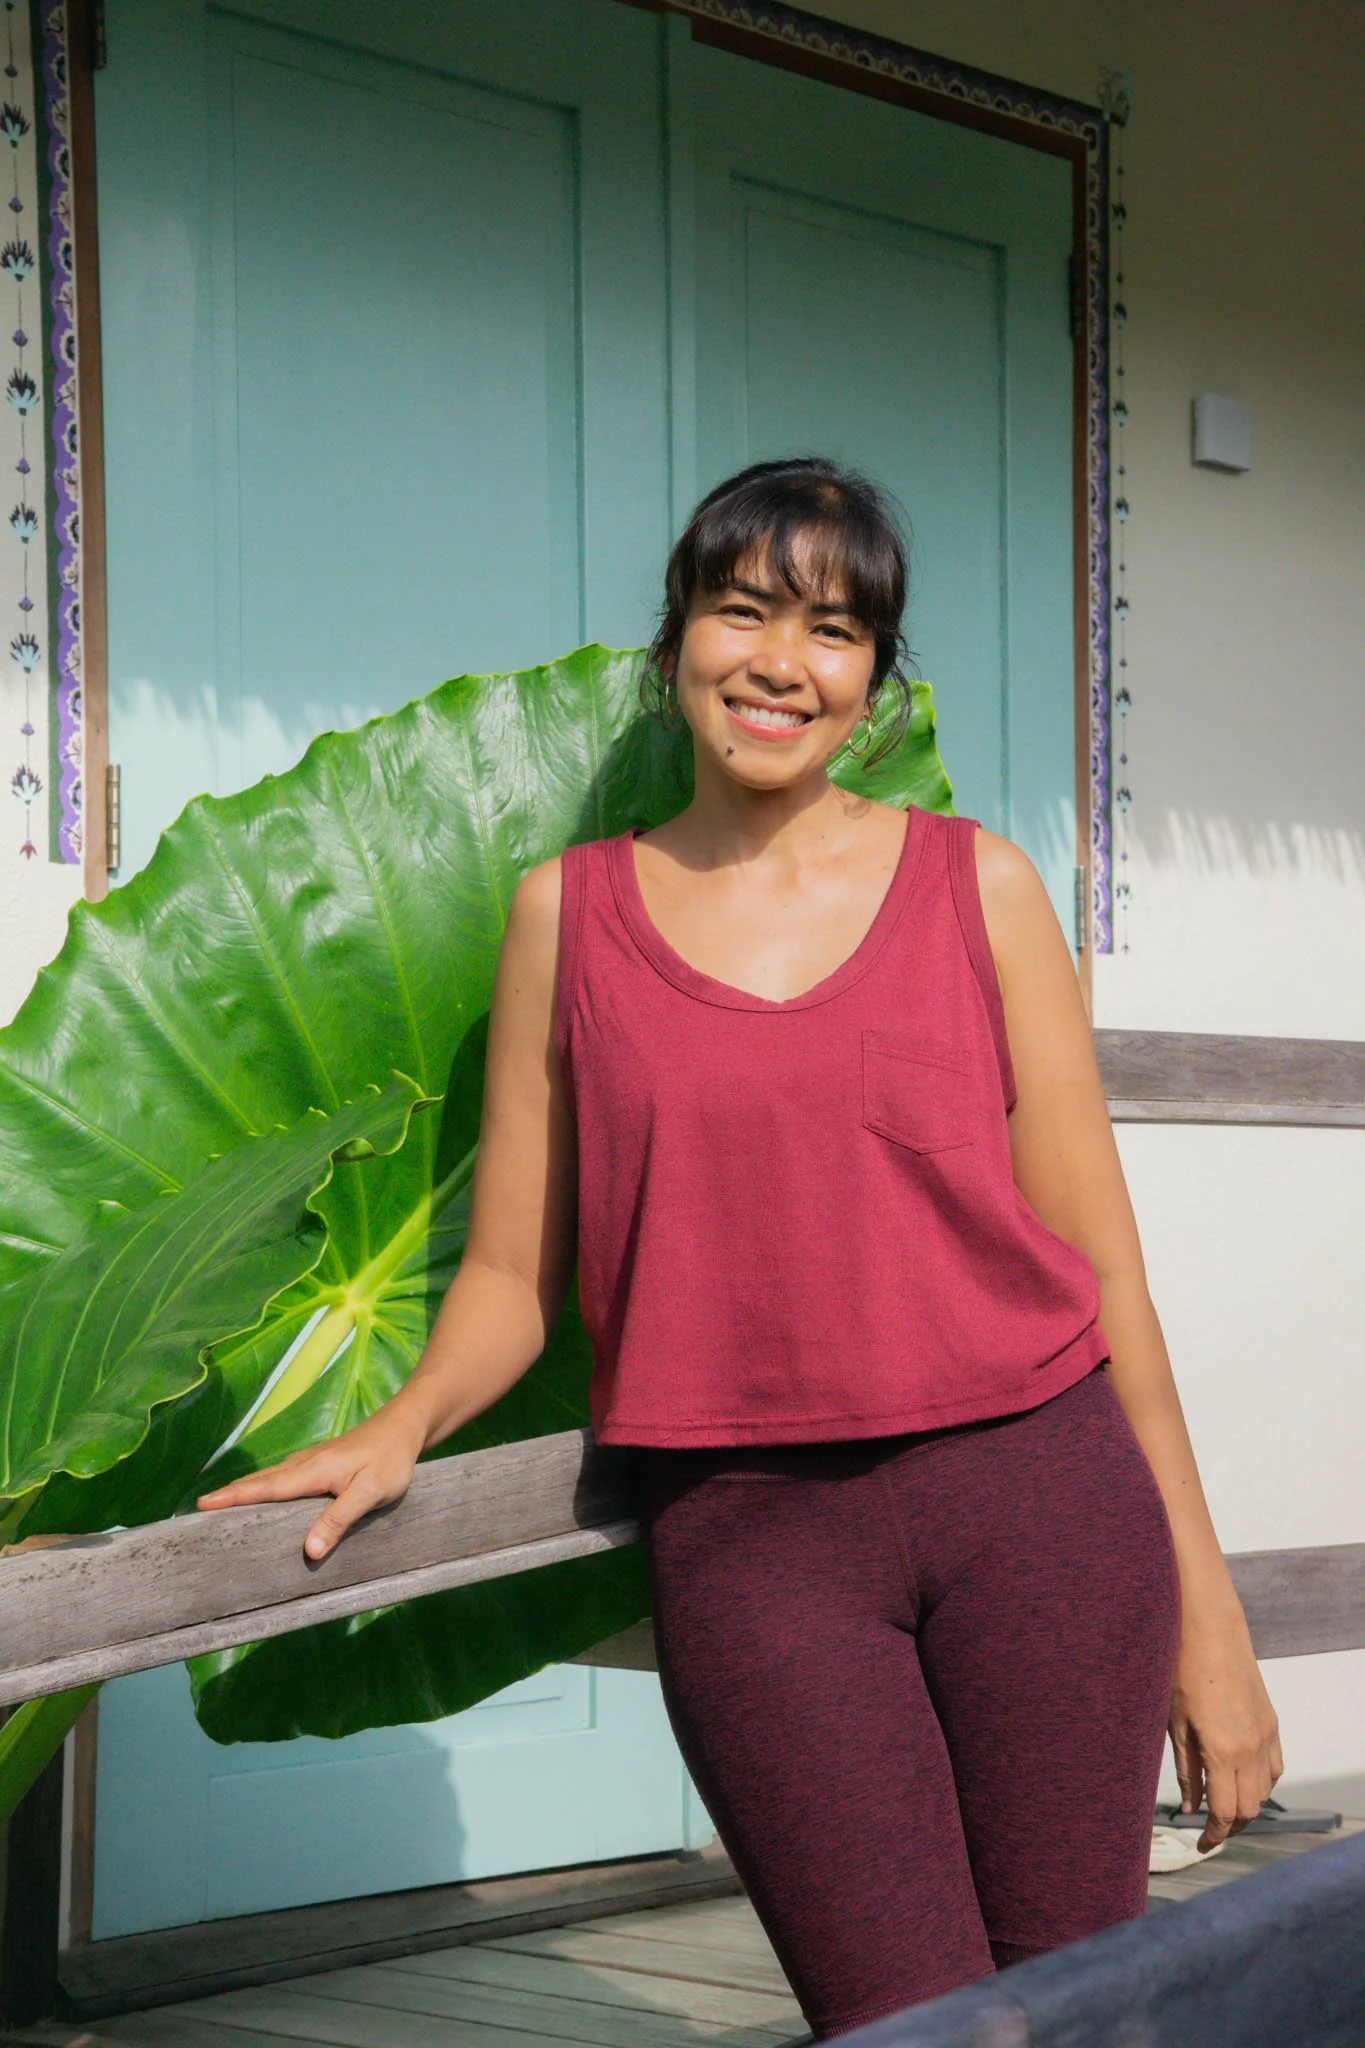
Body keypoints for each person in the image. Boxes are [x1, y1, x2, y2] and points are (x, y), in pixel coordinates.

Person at [200, 458, 1282, 2040]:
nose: (783, 660)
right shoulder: (564, 918)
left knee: (1082, 2010)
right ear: (676, 644)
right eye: (744, 609)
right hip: (756, 1550)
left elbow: (1105, 1277)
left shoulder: (977, 888)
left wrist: (1216, 1617)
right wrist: (397, 1424)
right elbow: (511, 1278)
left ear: (871, 682)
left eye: (834, 631)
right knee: (897, 2020)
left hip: (1041, 1509)